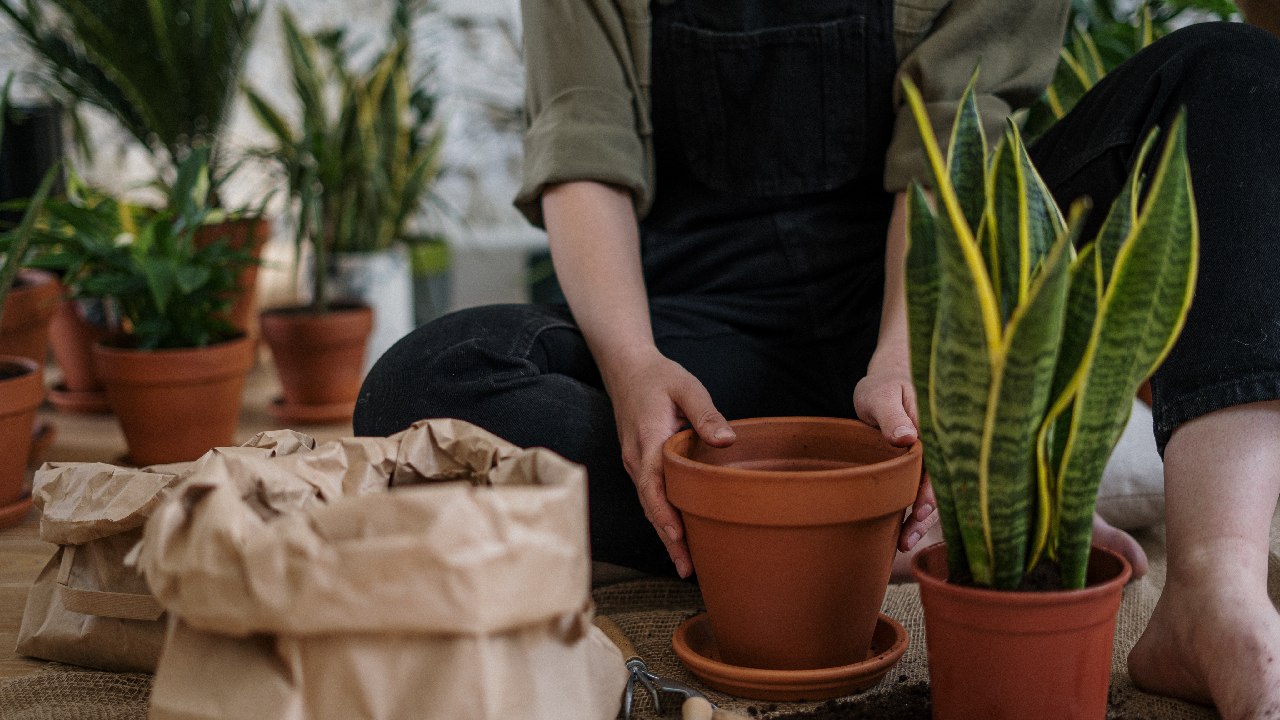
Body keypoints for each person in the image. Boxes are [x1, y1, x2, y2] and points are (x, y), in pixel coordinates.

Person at [355, 1, 1280, 716]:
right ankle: (867, 529)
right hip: (698, 347)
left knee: (1232, 72)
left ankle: (1212, 591)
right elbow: (582, 144)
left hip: (942, 297)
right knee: (423, 386)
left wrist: (907, 357)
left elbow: (958, 137)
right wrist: (634, 364)